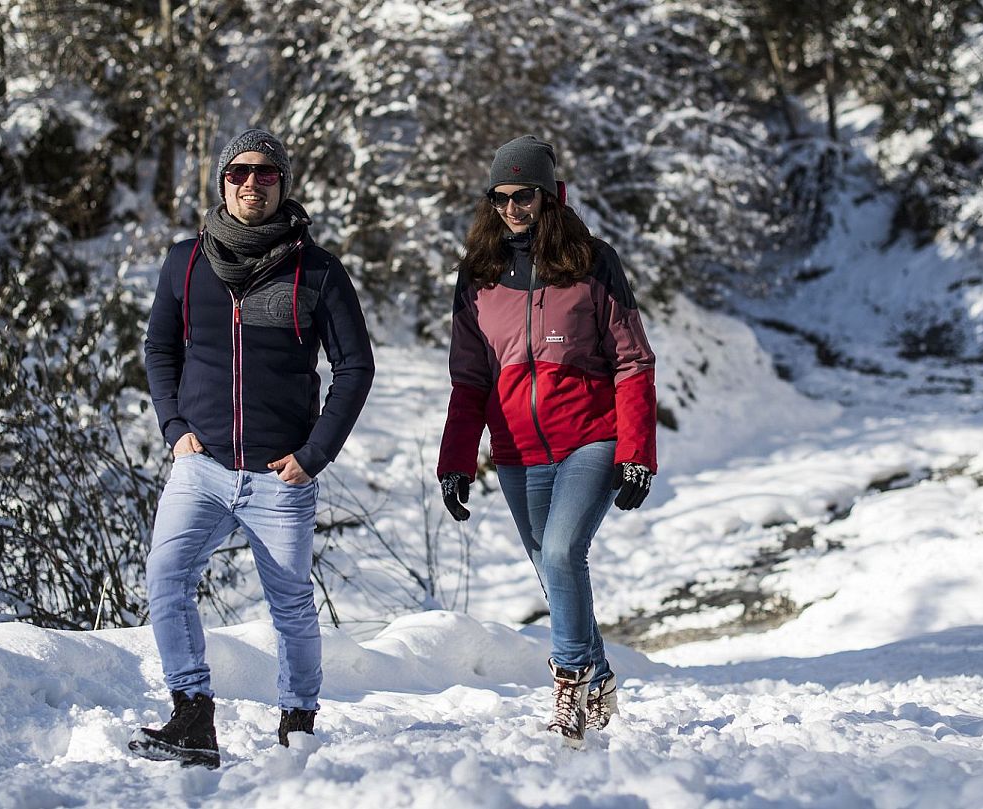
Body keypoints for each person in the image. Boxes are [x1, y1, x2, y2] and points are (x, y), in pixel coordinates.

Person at [129, 128, 375, 768]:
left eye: (266, 175)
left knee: (291, 604)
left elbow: (354, 367)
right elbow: (159, 350)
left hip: (280, 475)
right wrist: (173, 427)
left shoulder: (317, 272)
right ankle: (191, 715)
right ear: (222, 181)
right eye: (239, 172)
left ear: (283, 185)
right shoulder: (185, 262)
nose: (251, 184)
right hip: (200, 466)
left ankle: (298, 720)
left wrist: (314, 455)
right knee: (165, 580)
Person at [436, 135, 657, 748]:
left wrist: (637, 453)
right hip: (515, 451)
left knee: (561, 552)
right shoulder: (478, 275)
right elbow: (470, 378)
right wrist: (456, 460)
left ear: (550, 195)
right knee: (550, 568)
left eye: (524, 195)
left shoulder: (592, 261)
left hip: (590, 436)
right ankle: (600, 671)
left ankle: (569, 684)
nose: (512, 208)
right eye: (501, 197)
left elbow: (633, 362)